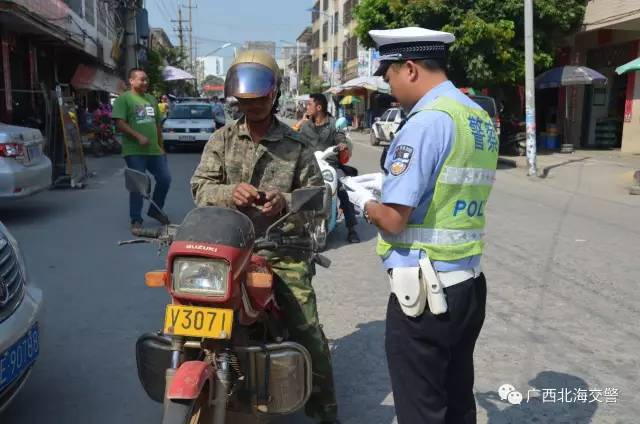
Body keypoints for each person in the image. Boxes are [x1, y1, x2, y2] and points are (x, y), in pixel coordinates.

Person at [342, 27, 499, 423]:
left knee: (421, 409)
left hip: (426, 295)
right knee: (457, 400)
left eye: (390, 75)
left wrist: (364, 201)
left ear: (409, 68)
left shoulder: (426, 122)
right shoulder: (475, 116)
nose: (390, 87)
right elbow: (444, 184)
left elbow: (394, 220)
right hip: (468, 283)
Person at [190, 50, 340, 424]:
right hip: (226, 246)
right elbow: (200, 187)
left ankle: (325, 409)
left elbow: (319, 200)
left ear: (273, 96)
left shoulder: (298, 146)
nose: (252, 107)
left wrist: (284, 201)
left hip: (281, 249)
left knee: (307, 329)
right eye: (244, 101)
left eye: (258, 100)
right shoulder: (221, 141)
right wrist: (230, 193)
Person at [293, 93, 361, 243]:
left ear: (319, 107)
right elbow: (294, 138)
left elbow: (340, 137)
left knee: (344, 191)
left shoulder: (333, 124)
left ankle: (351, 229)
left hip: (330, 166)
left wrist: (342, 144)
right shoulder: (305, 126)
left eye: (309, 104)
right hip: (310, 167)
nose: (306, 107)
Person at [112, 68, 172, 234]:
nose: (145, 82)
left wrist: (161, 146)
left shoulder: (152, 99)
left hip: (154, 151)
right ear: (131, 81)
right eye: (141, 79)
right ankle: (136, 219)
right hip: (134, 151)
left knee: (165, 179)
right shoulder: (124, 99)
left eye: (146, 79)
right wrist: (138, 136)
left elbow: (157, 125)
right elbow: (120, 123)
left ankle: (155, 210)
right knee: (138, 184)